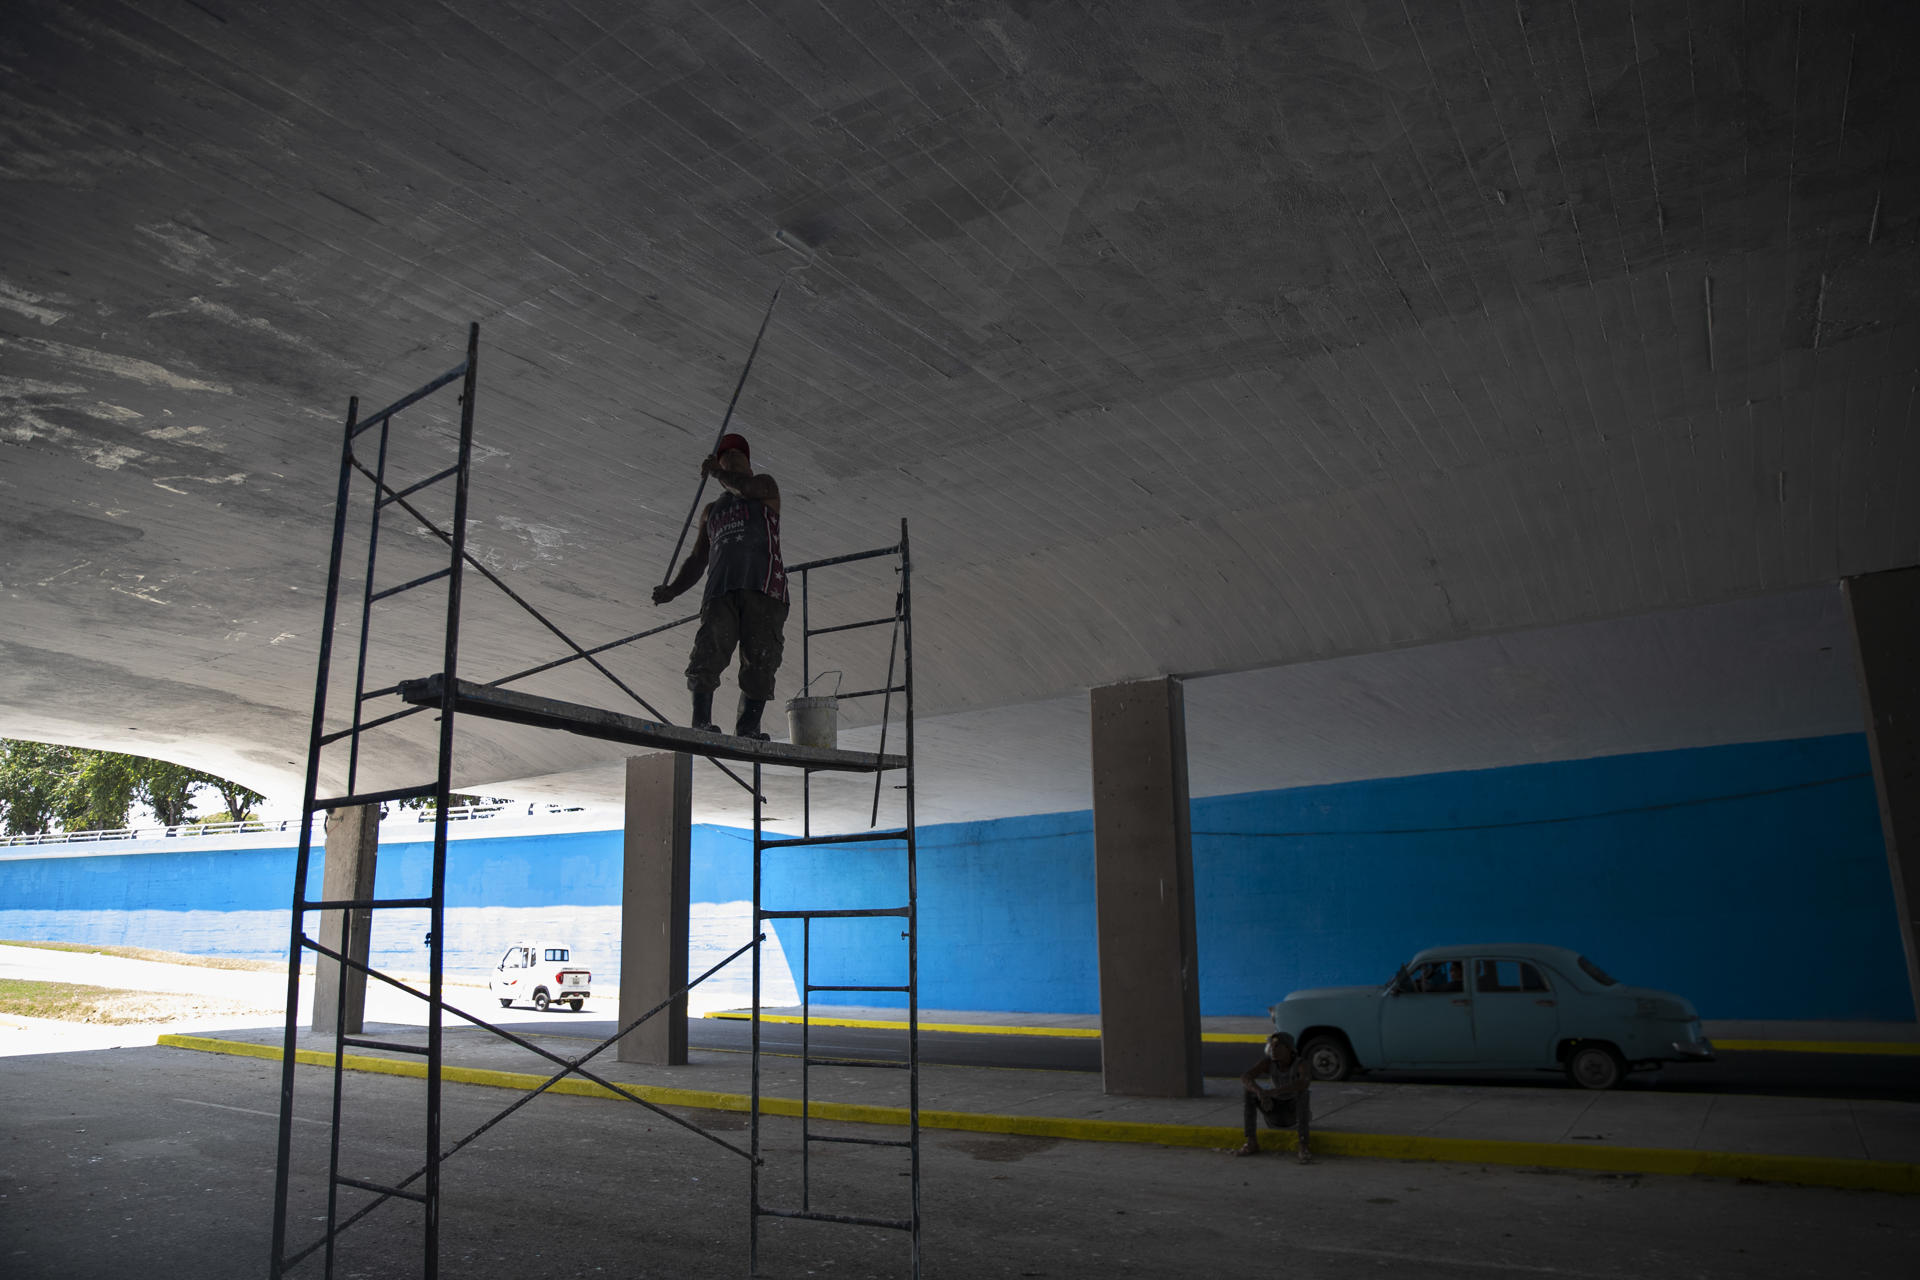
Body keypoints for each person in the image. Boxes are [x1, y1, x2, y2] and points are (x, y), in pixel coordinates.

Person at [653, 432, 789, 740]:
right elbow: (698, 558)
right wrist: (673, 590)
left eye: (737, 457)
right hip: (720, 592)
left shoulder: (764, 487)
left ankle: (748, 728)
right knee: (708, 652)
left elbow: (748, 488)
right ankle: (701, 721)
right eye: (726, 456)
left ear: (749, 466)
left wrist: (717, 472)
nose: (731, 459)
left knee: (761, 658)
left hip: (765, 589)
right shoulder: (711, 510)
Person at [1236, 1031, 1312, 1162]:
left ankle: (1303, 1145)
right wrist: (1260, 1092)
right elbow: (1246, 1077)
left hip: (1293, 1114)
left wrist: (1274, 1092)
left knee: (1303, 1094)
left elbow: (1304, 1082)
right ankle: (1251, 1142)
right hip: (1273, 1110)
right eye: (1271, 1046)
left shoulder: (1300, 1063)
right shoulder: (1268, 1063)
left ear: (1289, 1049)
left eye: (1277, 1046)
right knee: (1249, 1092)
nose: (1273, 1049)